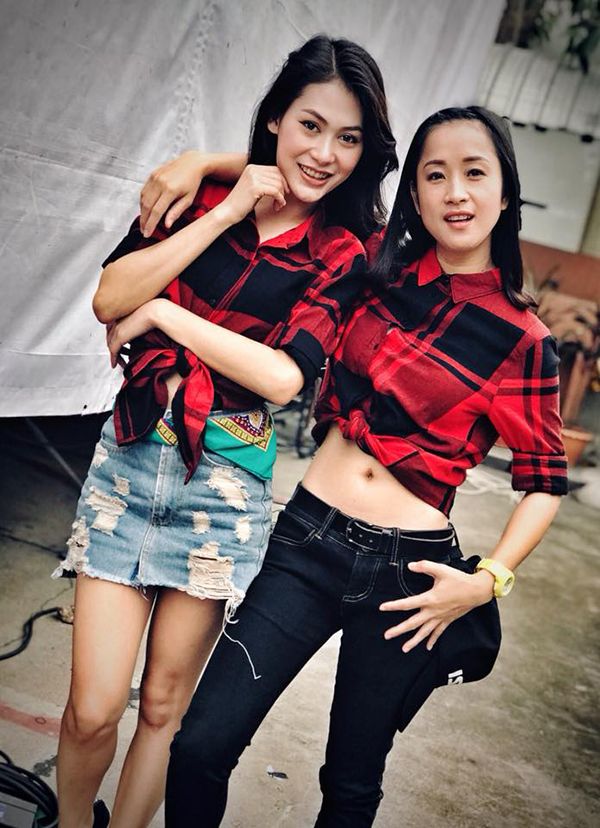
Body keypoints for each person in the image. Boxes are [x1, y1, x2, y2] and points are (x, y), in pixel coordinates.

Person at [154, 106, 568, 827]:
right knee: (199, 747)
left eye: (475, 173)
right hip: (305, 542)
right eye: (434, 175)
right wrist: (203, 163)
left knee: (350, 785)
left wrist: (486, 580)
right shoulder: (371, 264)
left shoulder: (524, 340)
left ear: (506, 194)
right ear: (415, 196)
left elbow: (544, 483)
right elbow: (308, 179)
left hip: (408, 580)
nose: (455, 193)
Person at [53, 35, 397, 828]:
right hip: (130, 461)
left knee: (163, 706)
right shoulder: (200, 195)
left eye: (349, 138)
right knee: (92, 708)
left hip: (224, 487)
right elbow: (109, 296)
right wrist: (227, 203)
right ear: (275, 118)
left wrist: (165, 314)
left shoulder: (343, 252)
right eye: (310, 125)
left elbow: (282, 377)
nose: (325, 154)